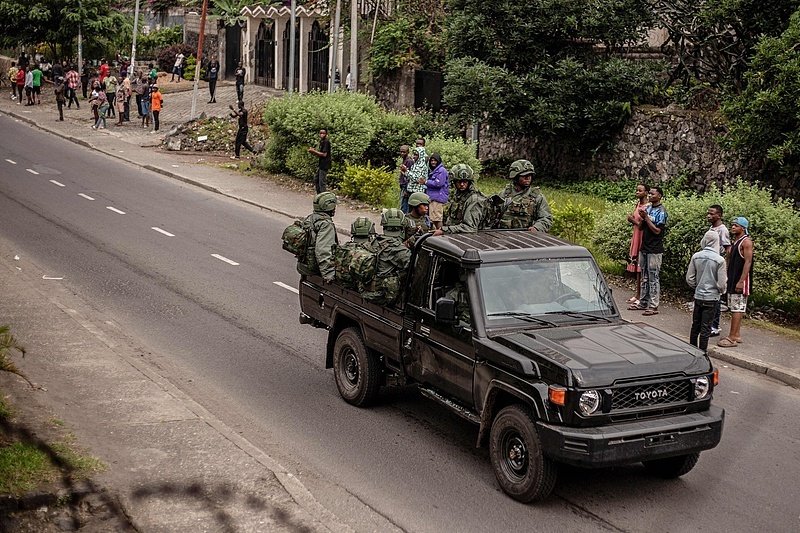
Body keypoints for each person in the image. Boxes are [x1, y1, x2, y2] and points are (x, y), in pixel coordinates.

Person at [686, 231, 727, 352]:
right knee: (706, 328)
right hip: (712, 297)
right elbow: (721, 283)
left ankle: (692, 350)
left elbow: (690, 278)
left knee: (695, 326)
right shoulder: (720, 260)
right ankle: (702, 353)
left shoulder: (696, 256)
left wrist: (697, 287)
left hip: (698, 295)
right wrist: (720, 292)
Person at [629, 186, 667, 316]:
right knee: (644, 276)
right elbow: (641, 227)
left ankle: (653, 305)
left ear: (660, 196)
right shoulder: (648, 208)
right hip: (644, 247)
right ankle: (643, 302)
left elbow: (657, 231)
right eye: (649, 193)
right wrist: (635, 220)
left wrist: (646, 218)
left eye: (653, 194)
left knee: (653, 277)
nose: (650, 196)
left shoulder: (661, 212)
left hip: (654, 249)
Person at [363, 209, 412, 306]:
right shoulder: (399, 249)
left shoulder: (374, 242)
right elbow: (417, 270)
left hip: (365, 290)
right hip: (381, 296)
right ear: (402, 227)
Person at [718, 217, 753, 348]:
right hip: (733, 278)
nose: (732, 227)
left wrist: (741, 281)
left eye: (736, 225)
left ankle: (732, 337)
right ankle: (736, 334)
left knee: (737, 308)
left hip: (740, 279)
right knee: (734, 305)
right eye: (732, 225)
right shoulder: (736, 241)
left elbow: (748, 262)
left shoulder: (747, 242)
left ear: (743, 228)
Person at [497, 159, 553, 232]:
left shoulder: (537, 197)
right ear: (515, 177)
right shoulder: (504, 194)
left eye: (530, 175)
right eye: (524, 175)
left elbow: (546, 218)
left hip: (527, 237)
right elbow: (492, 216)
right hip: (503, 235)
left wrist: (537, 227)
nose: (528, 178)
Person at [298, 192, 339, 282]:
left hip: (304, 266)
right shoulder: (326, 224)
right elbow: (323, 250)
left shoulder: (310, 218)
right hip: (315, 269)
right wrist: (329, 275)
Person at [434, 163, 485, 235]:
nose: (462, 184)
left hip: (466, 238)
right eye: (459, 181)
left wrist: (445, 230)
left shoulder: (474, 199)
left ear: (469, 182)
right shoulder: (457, 195)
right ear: (454, 182)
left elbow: (470, 228)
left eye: (465, 181)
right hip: (454, 234)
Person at [707, 204, 732, 336]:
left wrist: (725, 267)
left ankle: (714, 326)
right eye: (708, 213)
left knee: (716, 297)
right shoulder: (712, 228)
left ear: (719, 215)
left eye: (712, 214)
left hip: (718, 266)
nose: (709, 216)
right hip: (709, 265)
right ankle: (708, 323)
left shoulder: (723, 230)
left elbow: (727, 249)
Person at [625, 183, 649, 306]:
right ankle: (637, 294)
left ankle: (642, 295)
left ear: (646, 193)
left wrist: (632, 220)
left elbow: (642, 225)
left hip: (642, 238)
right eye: (637, 190)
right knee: (637, 268)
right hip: (636, 237)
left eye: (640, 191)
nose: (637, 192)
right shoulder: (638, 204)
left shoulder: (647, 207)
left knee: (642, 268)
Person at [426, 153, 449, 230]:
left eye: (435, 160)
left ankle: (440, 234)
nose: (433, 162)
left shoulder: (441, 170)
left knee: (437, 219)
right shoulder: (434, 170)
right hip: (433, 197)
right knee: (432, 218)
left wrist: (426, 182)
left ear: (438, 161)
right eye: (431, 160)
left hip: (438, 198)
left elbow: (439, 183)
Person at [308, 128, 332, 193]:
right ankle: (319, 195)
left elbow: (324, 154)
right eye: (320, 133)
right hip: (321, 164)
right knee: (316, 180)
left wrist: (313, 151)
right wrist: (313, 151)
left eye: (323, 133)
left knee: (322, 182)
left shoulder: (326, 142)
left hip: (325, 164)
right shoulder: (322, 141)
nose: (321, 134)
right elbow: (320, 154)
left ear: (326, 134)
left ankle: (323, 197)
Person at [398, 144, 414, 213]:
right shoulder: (404, 160)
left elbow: (409, 176)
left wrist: (407, 190)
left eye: (404, 152)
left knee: (405, 206)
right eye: (401, 152)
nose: (402, 153)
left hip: (406, 186)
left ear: (407, 152)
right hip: (403, 185)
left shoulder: (409, 161)